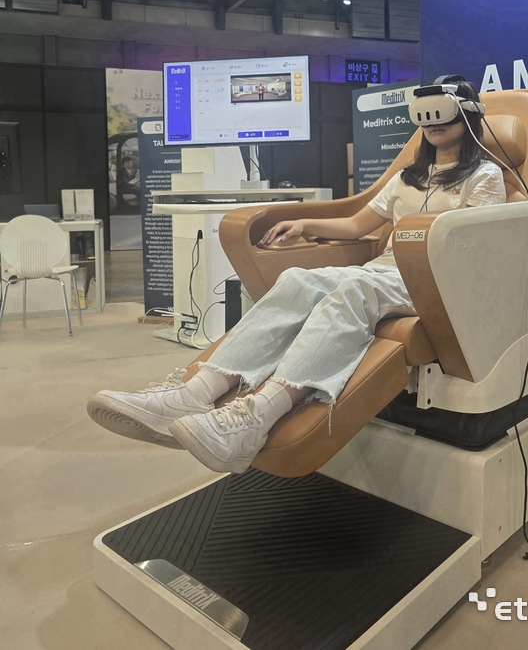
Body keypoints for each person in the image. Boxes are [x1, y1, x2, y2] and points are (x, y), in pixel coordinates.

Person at [88, 77, 506, 474]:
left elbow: (472, 247)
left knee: (355, 287)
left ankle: (255, 418)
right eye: (425, 115)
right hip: (384, 270)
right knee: (296, 280)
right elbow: (358, 223)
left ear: (468, 115)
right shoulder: (406, 178)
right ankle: (194, 394)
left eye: (443, 113)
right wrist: (305, 223)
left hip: (433, 277)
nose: (432, 123)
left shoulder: (484, 176)